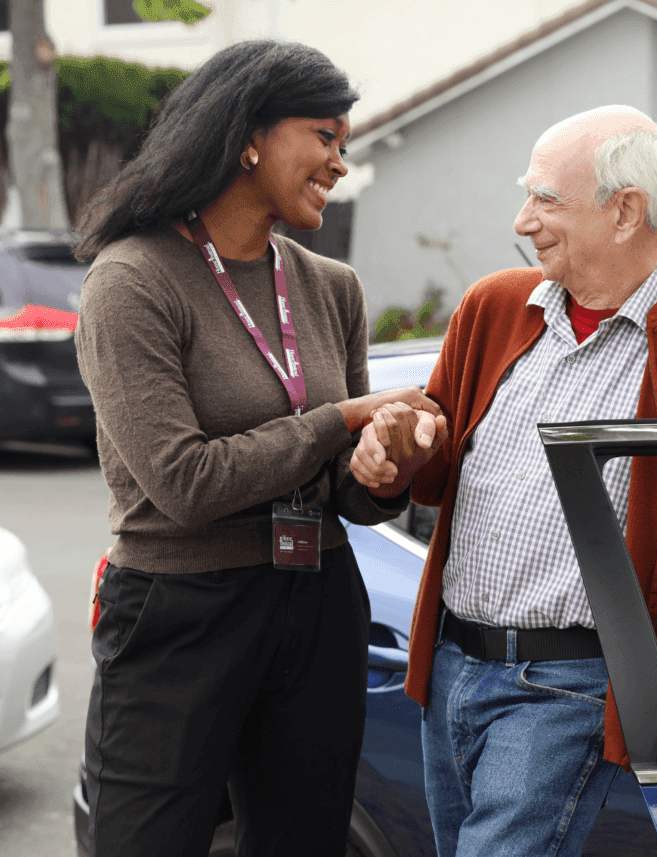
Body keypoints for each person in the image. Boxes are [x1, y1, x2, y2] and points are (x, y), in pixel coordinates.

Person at [350, 105, 657, 857]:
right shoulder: (492, 308)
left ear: (625, 212)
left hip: (567, 689)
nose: (523, 219)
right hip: (448, 669)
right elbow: (437, 463)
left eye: (546, 199)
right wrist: (397, 455)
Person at [74, 40, 446, 857]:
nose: (339, 162)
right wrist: (342, 419)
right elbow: (183, 481)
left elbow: (347, 489)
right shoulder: (132, 280)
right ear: (249, 134)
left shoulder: (330, 286)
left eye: (345, 143)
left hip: (315, 603)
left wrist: (388, 466)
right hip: (180, 610)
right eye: (324, 135)